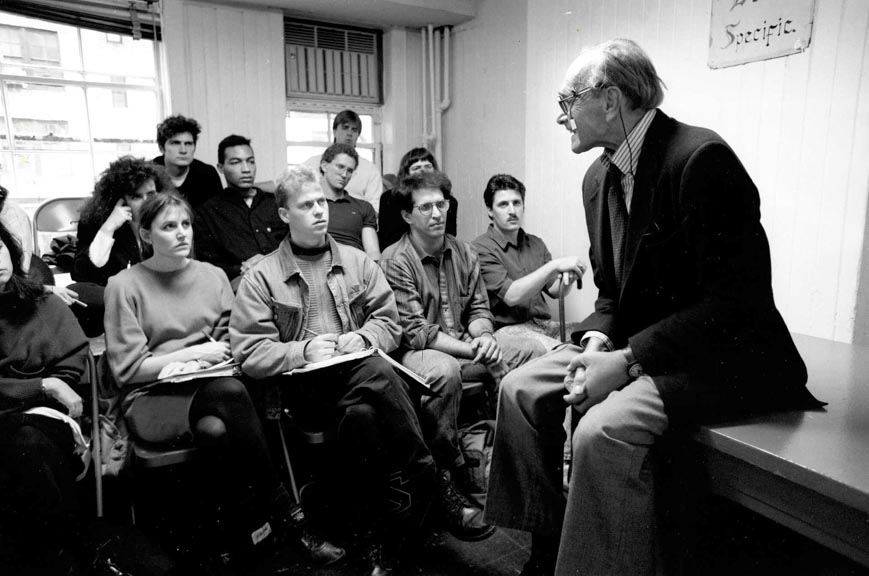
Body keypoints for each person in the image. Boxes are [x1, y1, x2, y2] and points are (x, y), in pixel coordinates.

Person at [484, 38, 823, 576]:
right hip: (648, 347)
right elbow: (614, 295)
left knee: (601, 431)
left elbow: (735, 304)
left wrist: (625, 361)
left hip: (723, 356)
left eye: (567, 100)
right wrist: (598, 340)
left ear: (611, 99)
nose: (560, 115)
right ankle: (548, 548)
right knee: (519, 391)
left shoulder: (700, 159)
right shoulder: (598, 178)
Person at [103, 192, 344, 568]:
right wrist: (191, 355)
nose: (182, 234)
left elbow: (232, 343)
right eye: (169, 227)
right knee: (229, 394)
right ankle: (290, 519)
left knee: (216, 428)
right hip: (152, 400)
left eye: (186, 224)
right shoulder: (124, 285)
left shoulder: (213, 276)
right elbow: (128, 369)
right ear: (146, 235)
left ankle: (239, 538)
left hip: (213, 392)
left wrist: (211, 357)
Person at [230, 165, 435, 576]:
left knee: (363, 414)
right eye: (306, 205)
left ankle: (376, 540)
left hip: (359, 383)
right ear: (285, 214)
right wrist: (302, 351)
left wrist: (361, 338)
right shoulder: (261, 277)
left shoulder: (359, 262)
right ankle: (424, 470)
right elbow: (249, 352)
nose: (319, 211)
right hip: (304, 392)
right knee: (378, 370)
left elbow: (389, 322)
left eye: (321, 201)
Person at [380, 170, 538, 544]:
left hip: (466, 342)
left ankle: (518, 466)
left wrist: (484, 335)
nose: (437, 213)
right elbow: (416, 331)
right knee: (446, 370)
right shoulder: (395, 260)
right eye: (426, 207)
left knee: (530, 349)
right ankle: (446, 478)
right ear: (407, 215)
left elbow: (480, 308)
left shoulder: (464, 251)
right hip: (416, 353)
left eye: (442, 204)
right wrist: (475, 348)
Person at [0, 220, 95, 574]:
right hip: (24, 416)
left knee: (26, 443)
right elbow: (52, 384)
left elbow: (69, 375)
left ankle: (60, 557)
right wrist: (39, 384)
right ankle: (73, 554)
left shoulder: (45, 303)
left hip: (45, 418)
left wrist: (35, 390)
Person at [472, 174, 586, 357]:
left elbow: (557, 291)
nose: (512, 210)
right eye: (503, 204)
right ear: (490, 210)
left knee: (592, 336)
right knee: (564, 354)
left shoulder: (536, 243)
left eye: (516, 203)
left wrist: (569, 277)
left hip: (543, 325)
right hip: (509, 330)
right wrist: (555, 265)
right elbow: (512, 295)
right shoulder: (480, 248)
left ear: (523, 206)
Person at [71, 156, 170, 336]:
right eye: (136, 197)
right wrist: (108, 228)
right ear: (120, 200)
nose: (147, 202)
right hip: (116, 307)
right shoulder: (95, 222)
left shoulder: (168, 220)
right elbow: (82, 273)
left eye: (151, 194)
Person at [194, 134, 288, 289]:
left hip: (285, 283)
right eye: (236, 162)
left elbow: (296, 245)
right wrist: (242, 268)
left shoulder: (275, 203)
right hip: (241, 290)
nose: (246, 169)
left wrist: (267, 262)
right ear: (221, 168)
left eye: (250, 162)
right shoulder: (208, 213)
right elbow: (207, 265)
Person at [304, 109, 383, 213]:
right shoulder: (312, 164)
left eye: (354, 130)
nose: (349, 133)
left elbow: (374, 208)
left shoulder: (370, 170)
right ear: (334, 131)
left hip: (355, 223)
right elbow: (297, 196)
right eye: (345, 128)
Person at [378, 148, 457, 250]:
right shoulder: (389, 199)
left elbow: (449, 236)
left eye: (428, 166)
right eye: (416, 168)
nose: (423, 171)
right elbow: (387, 237)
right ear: (406, 174)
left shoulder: (449, 200)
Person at [317, 142, 380, 260]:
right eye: (340, 167)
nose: (344, 174)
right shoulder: (309, 204)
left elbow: (373, 252)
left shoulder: (364, 207)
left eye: (350, 170)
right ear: (324, 166)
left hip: (355, 269)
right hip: (316, 265)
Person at [153, 114, 222, 208]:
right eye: (176, 143)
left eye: (188, 144)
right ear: (162, 148)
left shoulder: (207, 174)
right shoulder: (149, 174)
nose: (183, 150)